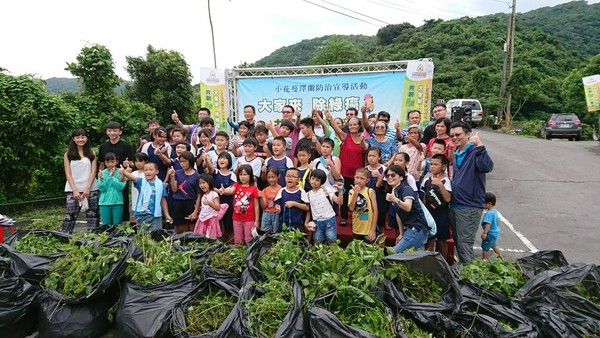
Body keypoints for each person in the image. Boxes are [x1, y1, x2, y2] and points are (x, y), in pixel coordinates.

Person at [449, 121, 494, 263]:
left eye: (458, 134)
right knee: (459, 243)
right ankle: (464, 273)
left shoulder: (475, 151)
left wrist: (480, 145)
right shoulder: (457, 153)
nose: (455, 138)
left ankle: (469, 278)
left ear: (468, 134)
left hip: (469, 206)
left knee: (465, 243)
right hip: (455, 204)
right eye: (452, 135)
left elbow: (487, 166)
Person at [326, 109, 368, 225]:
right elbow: (336, 129)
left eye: (355, 124)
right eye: (350, 125)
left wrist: (362, 141)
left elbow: (364, 148)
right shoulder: (345, 137)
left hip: (358, 176)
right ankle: (344, 217)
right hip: (344, 173)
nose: (352, 126)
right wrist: (330, 118)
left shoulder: (363, 140)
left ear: (359, 126)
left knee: (358, 196)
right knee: (344, 195)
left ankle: (358, 218)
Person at [61, 128, 100, 233]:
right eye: (77, 137)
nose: (80, 139)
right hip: (72, 189)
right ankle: (64, 238)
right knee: (70, 216)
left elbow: (93, 172)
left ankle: (93, 240)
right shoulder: (68, 154)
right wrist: (75, 190)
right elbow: (68, 174)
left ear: (86, 138)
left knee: (93, 216)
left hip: (91, 188)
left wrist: (87, 188)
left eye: (83, 137)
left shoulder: (92, 153)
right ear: (73, 139)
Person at [385, 165, 429, 253]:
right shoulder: (395, 191)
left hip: (416, 229)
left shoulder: (406, 189)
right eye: (387, 176)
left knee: (393, 254)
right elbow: (398, 213)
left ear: (401, 177)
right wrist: (401, 233)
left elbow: (407, 207)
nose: (390, 177)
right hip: (408, 229)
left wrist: (394, 199)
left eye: (393, 175)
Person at [97, 121, 135, 223]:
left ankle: (124, 227)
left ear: (120, 132)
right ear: (107, 132)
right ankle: (107, 226)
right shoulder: (103, 147)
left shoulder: (126, 146)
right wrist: (99, 174)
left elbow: (133, 163)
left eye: (115, 130)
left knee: (123, 201)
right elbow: (101, 163)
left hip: (121, 176)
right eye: (109, 131)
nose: (112, 133)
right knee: (106, 197)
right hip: (106, 177)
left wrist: (128, 164)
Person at [120, 162, 172, 232]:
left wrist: (167, 215)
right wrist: (124, 172)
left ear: (157, 171)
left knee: (155, 235)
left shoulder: (160, 184)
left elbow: (163, 200)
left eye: (150, 170)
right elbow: (132, 178)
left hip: (155, 215)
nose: (148, 172)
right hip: (142, 215)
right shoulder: (141, 182)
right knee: (142, 236)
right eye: (145, 170)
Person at [421, 154, 452, 262]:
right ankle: (428, 261)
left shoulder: (445, 181)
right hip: (429, 212)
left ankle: (443, 263)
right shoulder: (427, 180)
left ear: (443, 167)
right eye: (431, 164)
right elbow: (424, 197)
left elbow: (448, 199)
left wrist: (440, 185)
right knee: (430, 238)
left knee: (442, 240)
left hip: (442, 213)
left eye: (436, 164)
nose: (432, 167)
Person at [222, 164, 260, 245]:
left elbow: (256, 205)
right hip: (236, 218)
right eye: (241, 174)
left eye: (245, 174)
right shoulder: (237, 185)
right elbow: (231, 190)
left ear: (250, 175)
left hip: (249, 219)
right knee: (238, 240)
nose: (242, 177)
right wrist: (224, 191)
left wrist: (256, 221)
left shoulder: (254, 188)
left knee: (248, 240)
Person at [305, 169, 343, 245]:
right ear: (310, 179)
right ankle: (319, 256)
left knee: (331, 239)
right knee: (317, 240)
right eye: (312, 179)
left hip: (329, 219)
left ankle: (333, 256)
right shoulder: (308, 194)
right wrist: (306, 222)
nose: (314, 182)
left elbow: (339, 202)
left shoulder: (326, 190)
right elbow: (309, 210)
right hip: (317, 221)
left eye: (317, 180)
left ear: (321, 182)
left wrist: (340, 191)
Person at [167, 151, 201, 233]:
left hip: (190, 202)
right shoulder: (177, 173)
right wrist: (172, 177)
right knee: (178, 226)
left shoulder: (197, 176)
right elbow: (174, 189)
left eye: (185, 161)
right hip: (177, 202)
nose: (182, 164)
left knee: (190, 226)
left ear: (191, 161)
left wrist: (196, 210)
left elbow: (199, 194)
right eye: (181, 161)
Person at [97, 152, 126, 227]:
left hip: (117, 202)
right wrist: (102, 179)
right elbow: (102, 189)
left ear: (117, 161)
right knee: (106, 226)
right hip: (104, 203)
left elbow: (120, 187)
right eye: (107, 162)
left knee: (117, 226)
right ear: (105, 163)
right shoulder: (102, 172)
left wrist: (112, 177)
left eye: (112, 162)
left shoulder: (121, 172)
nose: (110, 164)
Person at [348, 168, 377, 242]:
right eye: (357, 177)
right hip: (357, 228)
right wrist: (355, 193)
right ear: (354, 177)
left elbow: (375, 211)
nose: (358, 180)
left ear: (367, 180)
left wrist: (373, 229)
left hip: (368, 229)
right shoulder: (351, 191)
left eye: (362, 178)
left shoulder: (370, 191)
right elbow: (351, 208)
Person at [213, 152, 237, 243]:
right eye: (220, 158)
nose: (221, 160)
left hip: (228, 204)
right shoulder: (215, 172)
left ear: (229, 161)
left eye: (224, 158)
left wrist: (224, 191)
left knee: (229, 226)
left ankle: (230, 245)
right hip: (216, 204)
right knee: (217, 225)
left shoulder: (232, 175)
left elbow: (233, 190)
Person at [365, 147, 387, 233]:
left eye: (373, 156)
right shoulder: (365, 169)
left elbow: (387, 187)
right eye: (369, 155)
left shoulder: (384, 169)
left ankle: (380, 245)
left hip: (380, 201)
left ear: (379, 157)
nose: (371, 158)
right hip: (367, 202)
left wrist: (379, 176)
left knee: (380, 226)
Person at [194, 174, 222, 239]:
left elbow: (218, 207)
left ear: (209, 183)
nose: (202, 185)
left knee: (210, 239)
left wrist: (209, 203)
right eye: (200, 183)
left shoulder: (214, 194)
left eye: (204, 182)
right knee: (201, 238)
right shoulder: (203, 195)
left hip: (211, 220)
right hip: (202, 219)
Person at [481, 192, 503, 260]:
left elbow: (488, 224)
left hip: (490, 233)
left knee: (485, 247)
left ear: (489, 203)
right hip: (495, 232)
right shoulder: (494, 211)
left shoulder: (489, 214)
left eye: (483, 203)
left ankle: (485, 260)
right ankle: (500, 255)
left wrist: (485, 233)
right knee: (493, 244)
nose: (482, 205)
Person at [260, 167, 282, 232]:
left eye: (273, 177)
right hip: (266, 214)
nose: (271, 179)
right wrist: (261, 197)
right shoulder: (265, 190)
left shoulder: (282, 190)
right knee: (266, 233)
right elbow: (263, 206)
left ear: (278, 176)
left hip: (277, 214)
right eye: (269, 177)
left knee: (277, 233)